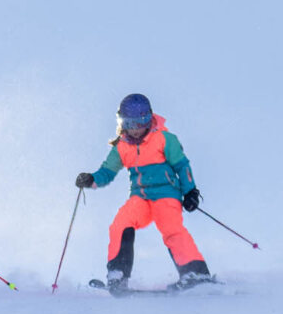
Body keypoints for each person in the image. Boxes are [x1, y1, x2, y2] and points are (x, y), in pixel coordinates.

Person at [75, 94, 214, 292]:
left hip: (166, 195)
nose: (136, 128)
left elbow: (182, 166)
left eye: (141, 122)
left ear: (149, 118)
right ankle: (118, 275)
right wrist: (91, 179)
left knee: (171, 228)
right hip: (140, 198)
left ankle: (196, 273)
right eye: (130, 123)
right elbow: (107, 172)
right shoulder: (122, 147)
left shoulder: (165, 139)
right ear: (122, 122)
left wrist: (190, 192)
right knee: (120, 224)